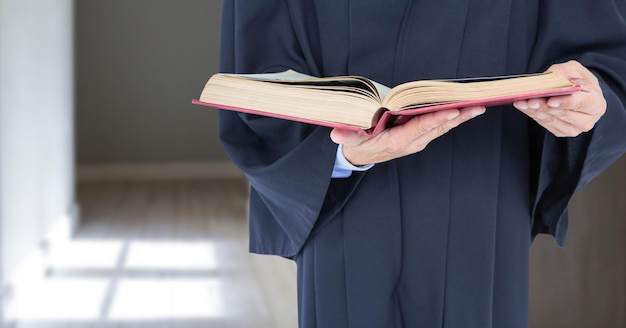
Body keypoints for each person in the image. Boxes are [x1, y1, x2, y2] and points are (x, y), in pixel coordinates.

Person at [217, 1, 626, 327]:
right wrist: (342, 156)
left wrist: (590, 98)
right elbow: (260, 64)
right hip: (345, 210)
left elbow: (604, 56)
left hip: (484, 198)